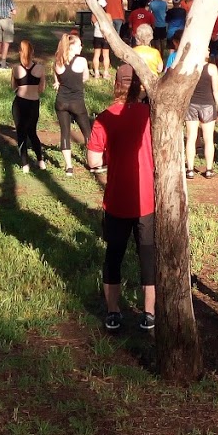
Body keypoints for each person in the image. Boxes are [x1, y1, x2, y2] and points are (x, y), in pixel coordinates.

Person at [88, 65, 156, 333]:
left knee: (113, 256)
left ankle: (113, 313)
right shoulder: (151, 115)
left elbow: (93, 160)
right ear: (139, 86)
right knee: (147, 257)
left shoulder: (104, 117)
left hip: (116, 198)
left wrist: (110, 157)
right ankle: (149, 313)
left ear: (115, 85)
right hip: (146, 200)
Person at [53, 31, 93, 176]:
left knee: (65, 132)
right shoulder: (81, 61)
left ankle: (69, 167)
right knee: (87, 132)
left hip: (61, 101)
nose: (81, 48)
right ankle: (92, 162)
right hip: (77, 101)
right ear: (72, 47)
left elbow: (56, 76)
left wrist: (58, 82)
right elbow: (85, 78)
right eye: (79, 45)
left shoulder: (58, 60)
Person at [11, 39, 47, 173]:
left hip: (19, 103)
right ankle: (40, 160)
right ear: (32, 52)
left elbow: (13, 87)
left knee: (21, 134)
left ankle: (25, 164)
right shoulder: (40, 68)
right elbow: (41, 89)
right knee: (32, 132)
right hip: (33, 103)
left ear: (20, 52)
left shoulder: (15, 68)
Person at [185, 57, 218, 180]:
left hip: (191, 104)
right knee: (208, 138)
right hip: (208, 105)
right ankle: (209, 169)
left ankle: (190, 169)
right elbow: (216, 89)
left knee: (191, 137)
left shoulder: (189, 66)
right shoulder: (211, 68)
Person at [91, 0, 109, 79]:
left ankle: (97, 73)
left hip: (97, 35)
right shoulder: (108, 15)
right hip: (105, 36)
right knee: (106, 55)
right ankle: (105, 72)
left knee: (96, 55)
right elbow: (110, 26)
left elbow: (93, 24)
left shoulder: (94, 15)